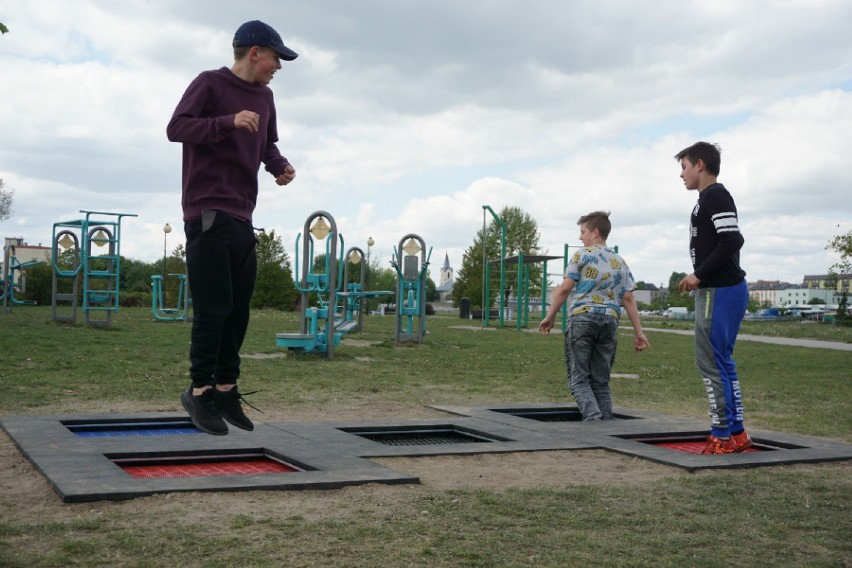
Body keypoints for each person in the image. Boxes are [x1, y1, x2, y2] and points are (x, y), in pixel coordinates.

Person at [166, 20, 298, 435]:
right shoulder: (209, 84)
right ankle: (199, 391)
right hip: (207, 212)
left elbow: (266, 144)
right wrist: (227, 122)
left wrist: (278, 166)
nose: (279, 66)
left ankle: (225, 387)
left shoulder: (266, 97)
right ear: (255, 51)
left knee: (238, 311)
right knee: (214, 309)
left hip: (244, 216)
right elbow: (177, 128)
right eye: (277, 57)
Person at [675, 141, 752, 454]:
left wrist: (699, 275)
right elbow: (733, 238)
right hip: (724, 289)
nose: (681, 174)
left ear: (700, 165)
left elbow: (732, 240)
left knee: (710, 364)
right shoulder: (707, 199)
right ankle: (737, 432)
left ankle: (721, 435)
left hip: (719, 291)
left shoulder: (715, 195)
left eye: (684, 167)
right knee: (722, 363)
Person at [539, 211, 650, 420]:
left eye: (583, 232)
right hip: (609, 321)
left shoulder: (582, 255)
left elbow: (565, 289)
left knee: (579, 379)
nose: (580, 238)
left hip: (583, 318)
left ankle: (593, 420)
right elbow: (628, 298)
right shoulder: (619, 261)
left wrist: (550, 315)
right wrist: (639, 332)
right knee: (600, 381)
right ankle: (606, 426)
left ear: (595, 232)